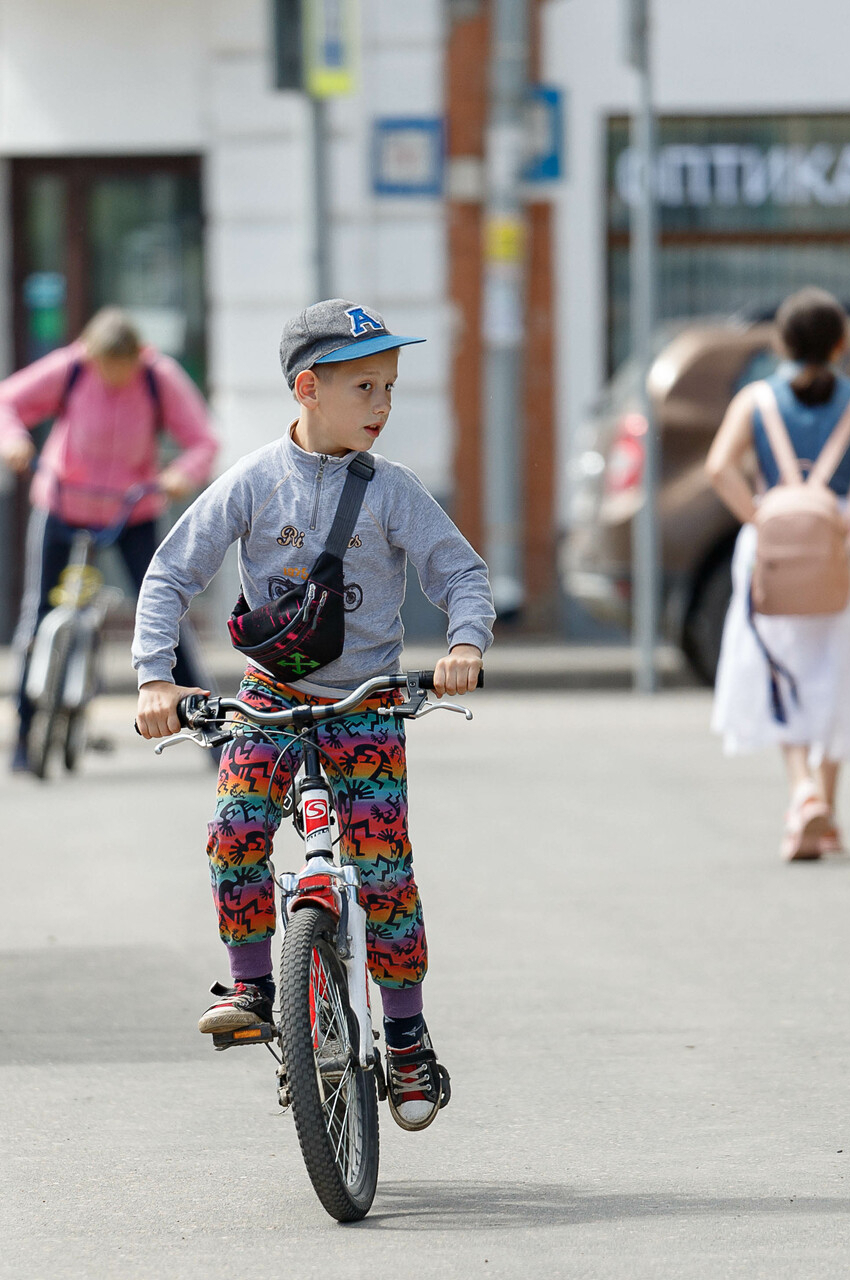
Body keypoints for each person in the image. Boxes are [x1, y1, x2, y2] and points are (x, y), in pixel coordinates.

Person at [132, 299, 494, 1131]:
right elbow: (169, 574)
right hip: (270, 698)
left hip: (366, 702)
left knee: (385, 872)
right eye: (365, 386)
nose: (382, 405)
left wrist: (464, 645)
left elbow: (463, 576)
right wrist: (156, 679)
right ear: (307, 389)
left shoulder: (394, 492)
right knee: (234, 832)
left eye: (391, 388)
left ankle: (403, 1036)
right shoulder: (256, 481)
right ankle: (256, 983)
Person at [705, 288, 850, 860]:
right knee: (838, 670)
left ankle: (801, 793)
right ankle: (825, 804)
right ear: (842, 344)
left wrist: (760, 518)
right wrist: (849, 517)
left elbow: (719, 467)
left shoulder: (755, 399)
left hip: (770, 555)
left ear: (781, 343)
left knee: (782, 671)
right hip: (841, 554)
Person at [0, 307, 219, 773]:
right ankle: (23, 734)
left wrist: (179, 475)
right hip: (63, 502)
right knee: (39, 615)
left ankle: (213, 736)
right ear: (88, 355)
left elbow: (203, 441)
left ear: (139, 357)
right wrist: (11, 441)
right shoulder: (71, 369)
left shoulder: (159, 378)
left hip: (133, 509)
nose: (111, 378)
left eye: (121, 370)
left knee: (165, 617)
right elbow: (1, 403)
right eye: (103, 369)